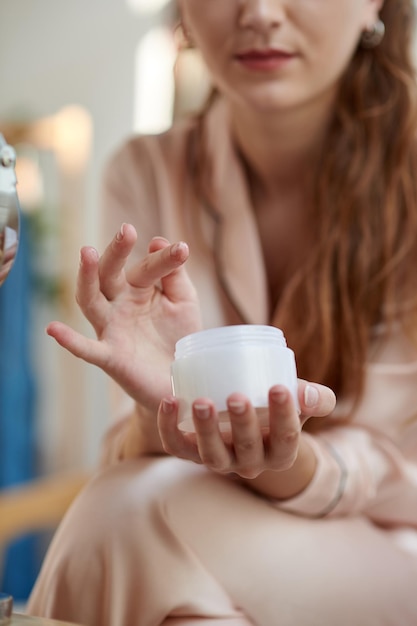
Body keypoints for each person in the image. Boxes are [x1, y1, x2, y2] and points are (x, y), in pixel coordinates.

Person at [27, 0, 417, 624]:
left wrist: (284, 459)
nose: (259, 12)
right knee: (149, 541)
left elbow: (394, 468)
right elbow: (141, 447)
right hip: (203, 527)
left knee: (125, 515)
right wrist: (162, 409)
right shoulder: (146, 171)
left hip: (394, 545)